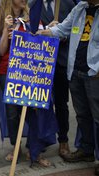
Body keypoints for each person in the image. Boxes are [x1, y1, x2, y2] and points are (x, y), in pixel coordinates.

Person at [38, 0, 99, 175]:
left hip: (95, 73)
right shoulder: (80, 8)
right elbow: (62, 29)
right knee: (83, 115)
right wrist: (43, 33)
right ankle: (86, 150)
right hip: (76, 71)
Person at [0, 0, 56, 167]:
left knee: (34, 111)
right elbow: (0, 51)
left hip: (30, 72)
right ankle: (16, 147)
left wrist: (41, 31)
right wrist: (7, 30)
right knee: (12, 114)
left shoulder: (34, 18)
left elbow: (42, 46)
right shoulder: (1, 18)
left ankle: (34, 148)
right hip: (8, 71)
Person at [28, 0, 75, 158]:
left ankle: (63, 140)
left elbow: (76, 30)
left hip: (61, 61)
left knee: (61, 104)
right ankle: (39, 141)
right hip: (41, 63)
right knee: (39, 104)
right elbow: (30, 32)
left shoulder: (69, 4)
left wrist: (63, 34)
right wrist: (47, 31)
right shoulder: (33, 5)